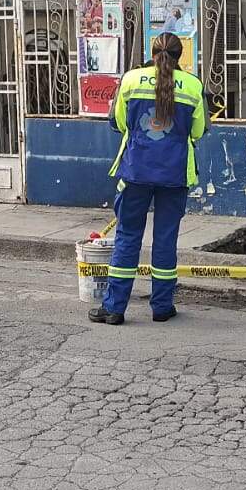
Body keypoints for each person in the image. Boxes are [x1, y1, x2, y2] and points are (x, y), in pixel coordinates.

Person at [90, 33, 207, 325]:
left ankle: (115, 308)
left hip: (135, 172)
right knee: (165, 240)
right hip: (175, 174)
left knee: (127, 238)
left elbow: (118, 123)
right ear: (180, 56)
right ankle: (162, 308)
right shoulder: (193, 86)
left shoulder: (130, 80)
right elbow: (198, 131)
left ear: (152, 52)